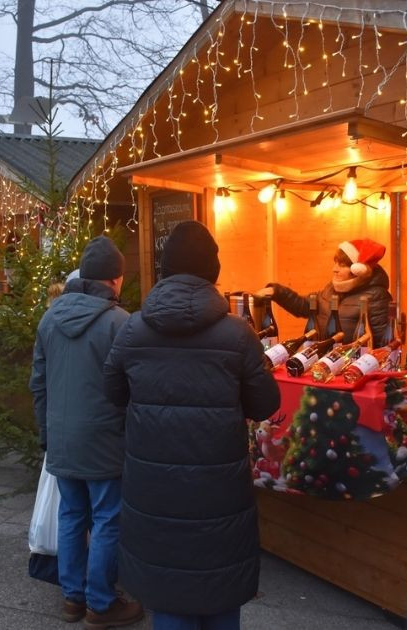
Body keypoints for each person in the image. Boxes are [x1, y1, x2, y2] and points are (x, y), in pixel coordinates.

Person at [104, 220, 279, 629]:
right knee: (220, 586)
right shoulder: (237, 334)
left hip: (154, 484)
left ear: (165, 269)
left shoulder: (133, 329)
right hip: (219, 488)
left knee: (168, 592)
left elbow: (112, 393)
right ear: (212, 270)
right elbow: (265, 403)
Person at [31, 237, 140, 628]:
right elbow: (132, 388)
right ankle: (101, 603)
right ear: (115, 279)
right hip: (105, 439)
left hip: (61, 438)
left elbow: (38, 383)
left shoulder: (49, 318)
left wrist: (46, 433)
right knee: (108, 518)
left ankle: (72, 598)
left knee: (72, 514)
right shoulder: (120, 323)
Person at [256, 238, 393, 344]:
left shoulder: (377, 296)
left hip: (353, 366)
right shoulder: (331, 289)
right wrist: (276, 292)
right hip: (326, 361)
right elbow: (303, 306)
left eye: (342, 265)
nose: (335, 269)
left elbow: (380, 341)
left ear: (357, 270)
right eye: (335, 263)